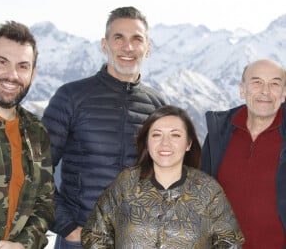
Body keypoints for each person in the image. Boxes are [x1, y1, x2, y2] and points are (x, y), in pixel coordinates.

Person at [42, 6, 166, 248]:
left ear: (148, 48)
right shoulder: (71, 97)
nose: (128, 47)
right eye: (118, 38)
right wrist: (66, 227)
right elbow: (37, 170)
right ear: (104, 45)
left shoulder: (158, 107)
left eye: (136, 39)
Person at [81, 105, 244, 248]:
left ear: (188, 143)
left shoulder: (208, 190)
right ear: (146, 142)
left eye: (175, 135)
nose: (165, 143)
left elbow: (230, 242)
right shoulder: (125, 184)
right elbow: (94, 234)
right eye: (157, 135)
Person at [201, 59, 286, 248]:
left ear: (284, 93)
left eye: (274, 83)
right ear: (242, 90)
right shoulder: (219, 133)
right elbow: (201, 198)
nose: (265, 91)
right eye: (256, 82)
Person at [0, 21, 55, 248]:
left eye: (23, 66)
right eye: (2, 62)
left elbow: (45, 203)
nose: (12, 75)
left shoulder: (36, 131)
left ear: (33, 74)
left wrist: (24, 244)